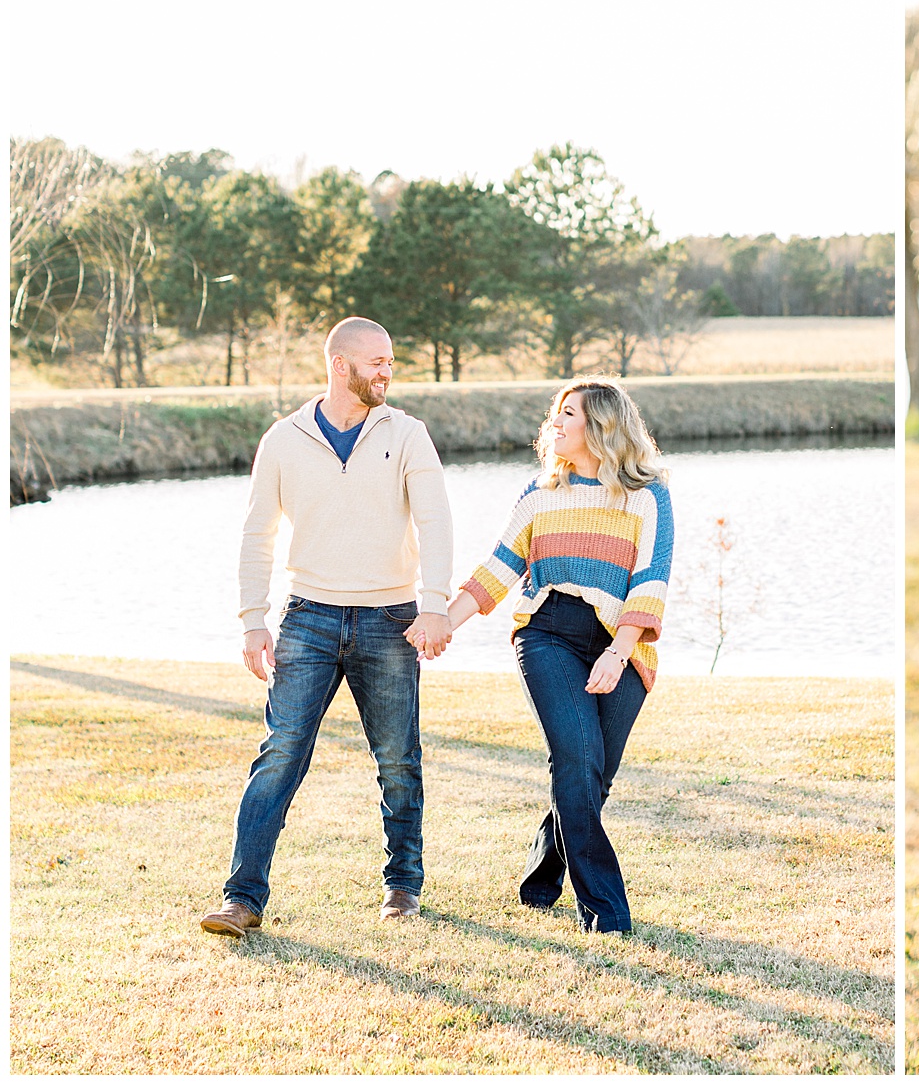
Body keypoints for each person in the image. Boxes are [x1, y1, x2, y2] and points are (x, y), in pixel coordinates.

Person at [202, 317, 453, 937]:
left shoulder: (408, 434)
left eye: (391, 362)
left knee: (398, 759)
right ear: (339, 365)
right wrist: (252, 620)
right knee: (279, 754)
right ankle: (242, 898)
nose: (387, 372)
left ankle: (402, 887)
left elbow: (437, 523)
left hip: (390, 619)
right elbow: (257, 533)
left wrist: (435, 603)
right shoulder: (283, 439)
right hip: (308, 617)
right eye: (376, 362)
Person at [443, 378, 672, 935]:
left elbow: (652, 580)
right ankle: (606, 913)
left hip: (621, 642)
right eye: (556, 413)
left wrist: (620, 653)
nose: (556, 423)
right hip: (547, 633)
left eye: (569, 414)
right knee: (575, 757)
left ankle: (543, 874)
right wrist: (440, 624)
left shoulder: (646, 496)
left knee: (593, 774)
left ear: (600, 427)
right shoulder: (539, 492)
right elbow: (499, 569)